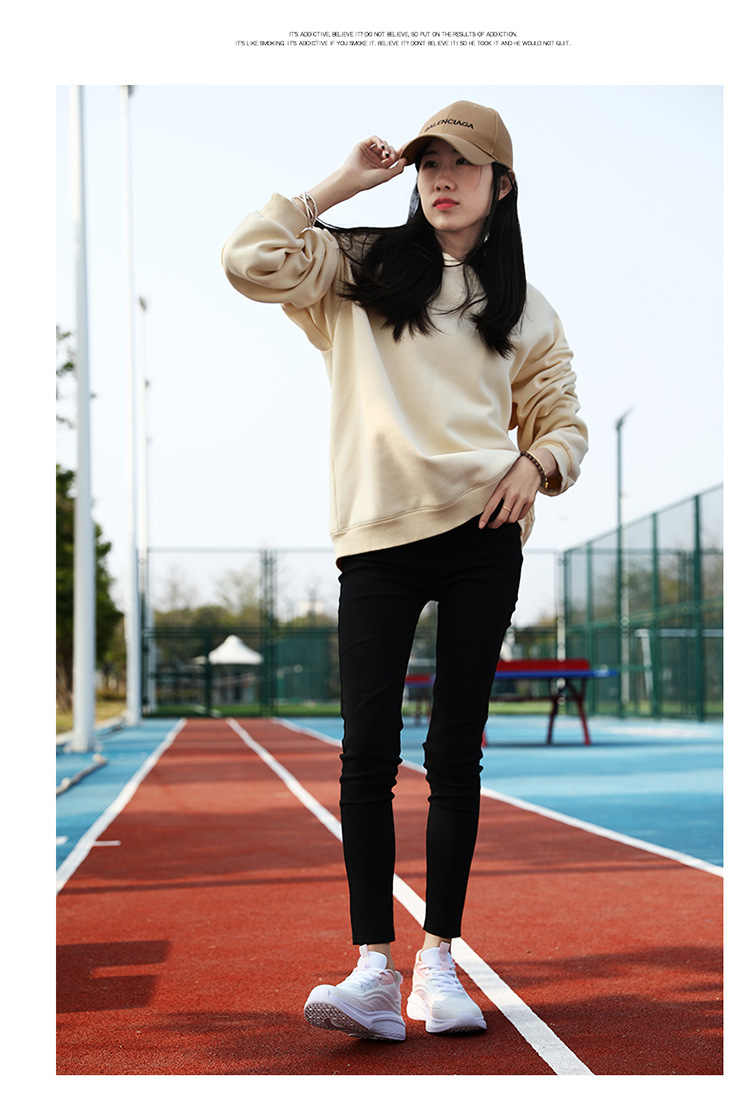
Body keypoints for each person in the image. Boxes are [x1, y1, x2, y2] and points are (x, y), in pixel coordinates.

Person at [222, 100, 588, 1041]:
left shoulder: (526, 308)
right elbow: (249, 259)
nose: (441, 178)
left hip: (482, 536)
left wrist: (537, 462)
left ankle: (440, 963)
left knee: (454, 752)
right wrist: (342, 183)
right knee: (367, 753)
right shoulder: (360, 266)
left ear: (501, 184)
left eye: (461, 164)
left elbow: (562, 417)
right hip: (378, 539)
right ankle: (373, 971)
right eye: (428, 163)